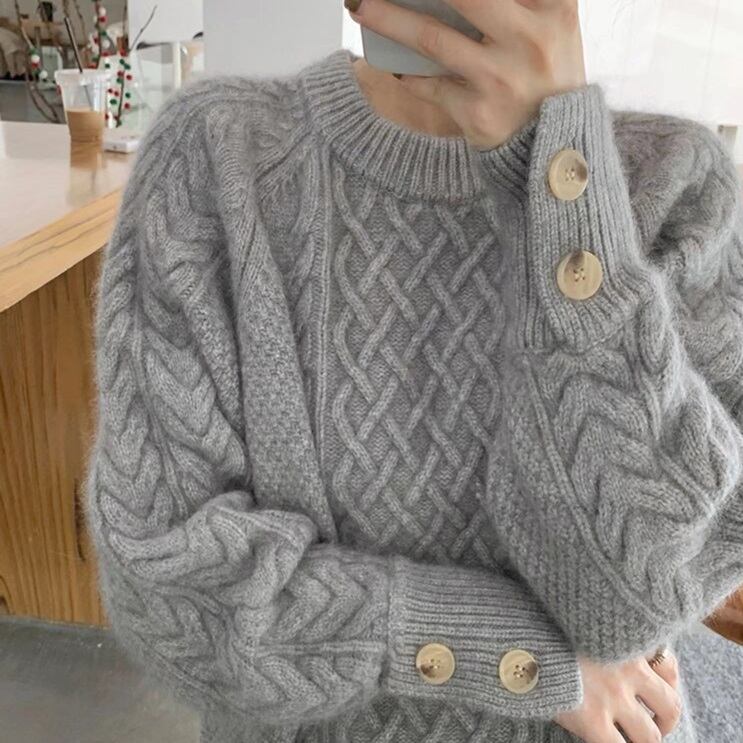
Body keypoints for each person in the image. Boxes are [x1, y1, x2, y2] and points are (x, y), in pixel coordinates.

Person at [82, 1, 743, 742]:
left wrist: (566, 190)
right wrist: (516, 656)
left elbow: (633, 601)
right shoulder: (215, 155)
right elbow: (168, 584)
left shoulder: (674, 182)